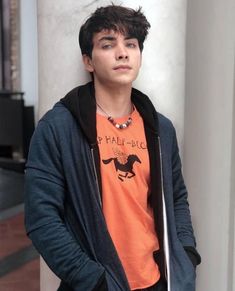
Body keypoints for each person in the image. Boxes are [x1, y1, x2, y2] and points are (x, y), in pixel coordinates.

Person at [24, 4, 201, 291]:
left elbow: (177, 198)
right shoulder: (58, 128)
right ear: (88, 61)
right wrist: (92, 280)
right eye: (108, 44)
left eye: (130, 44)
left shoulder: (160, 129)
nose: (122, 52)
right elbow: (41, 218)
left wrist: (185, 255)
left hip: (158, 281)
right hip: (99, 284)